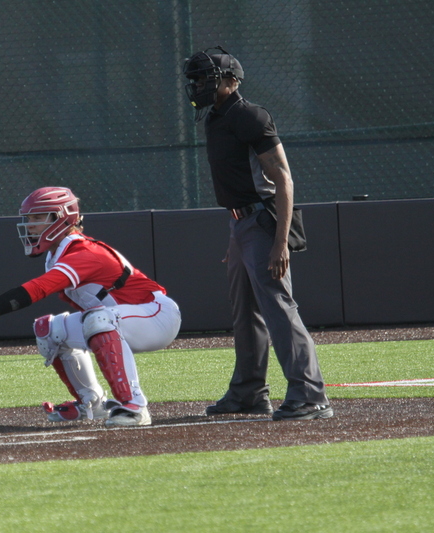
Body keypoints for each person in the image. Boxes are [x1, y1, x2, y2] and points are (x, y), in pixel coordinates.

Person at [182, 47, 333, 421]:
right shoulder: (215, 118)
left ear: (231, 81)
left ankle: (310, 395)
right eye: (196, 79)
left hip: (263, 222)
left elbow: (283, 178)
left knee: (279, 309)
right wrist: (237, 239)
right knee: (245, 312)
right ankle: (249, 392)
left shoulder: (250, 115)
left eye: (206, 78)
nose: (199, 84)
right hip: (240, 226)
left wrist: (280, 242)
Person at [0, 187, 181, 427]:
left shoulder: (85, 252)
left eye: (38, 218)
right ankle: (92, 403)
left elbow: (41, 287)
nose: (30, 225)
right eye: (28, 218)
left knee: (98, 319)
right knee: (49, 330)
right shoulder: (59, 254)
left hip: (155, 315)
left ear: (62, 217)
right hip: (125, 317)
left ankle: (134, 406)